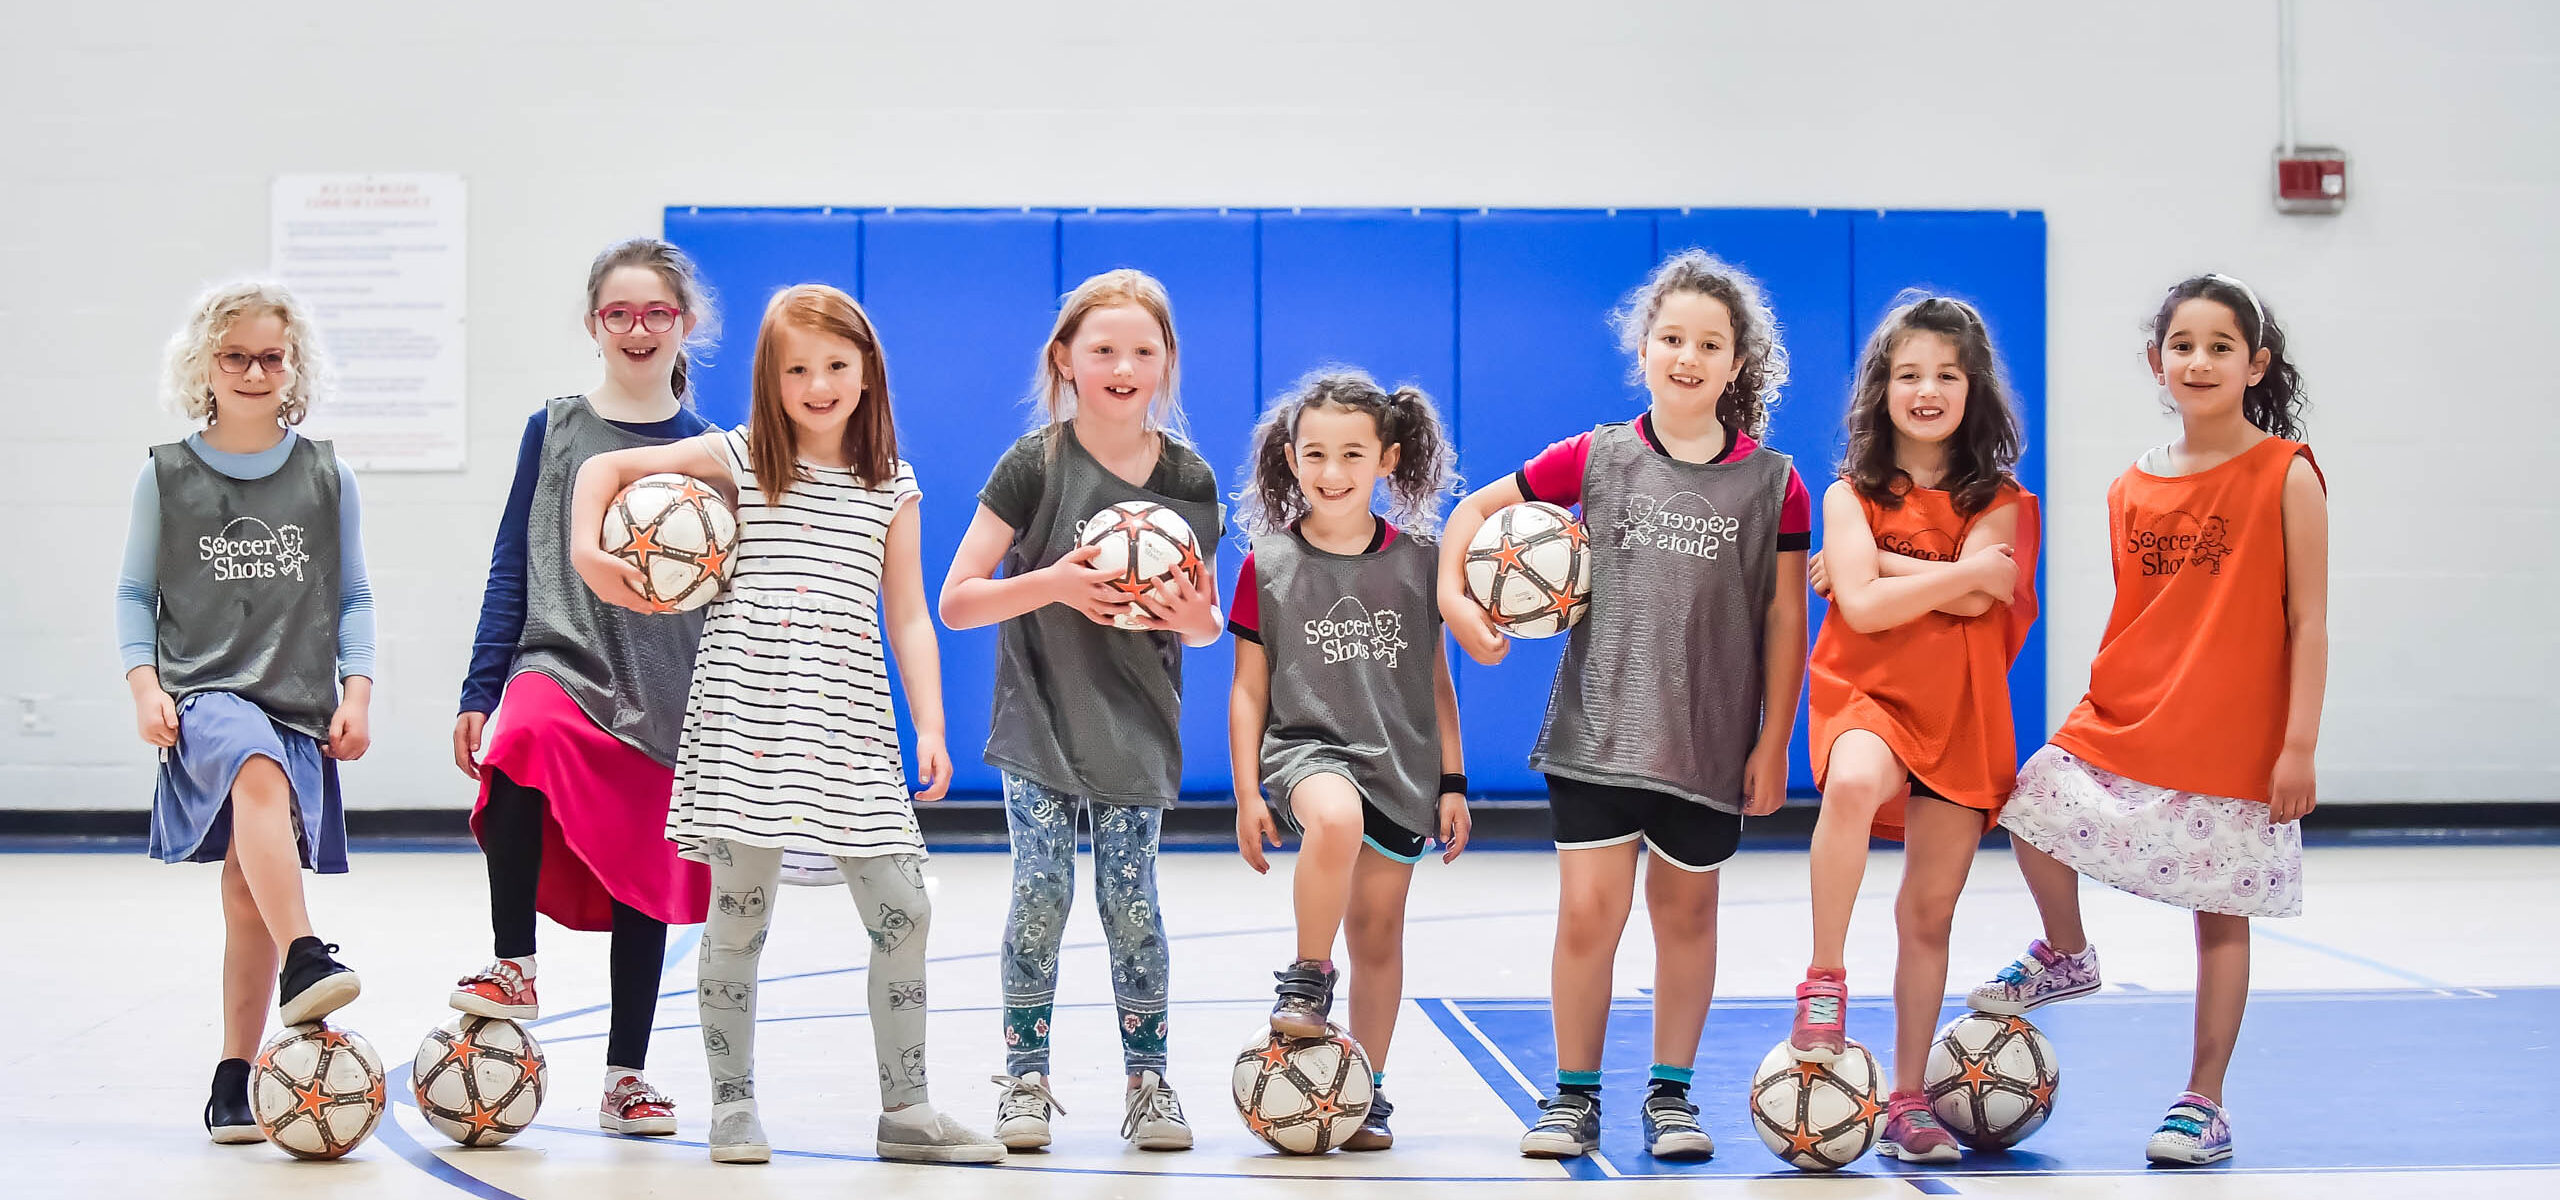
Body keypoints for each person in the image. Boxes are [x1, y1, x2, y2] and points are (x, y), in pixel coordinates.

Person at [571, 283, 1002, 1165]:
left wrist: (930, 723)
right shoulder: (737, 458)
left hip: (849, 721)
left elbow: (910, 614)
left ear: (868, 371)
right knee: (739, 915)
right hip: (747, 714)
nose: (817, 384)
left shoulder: (893, 485)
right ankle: (733, 1105)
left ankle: (907, 1111)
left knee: (903, 909)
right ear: (769, 378)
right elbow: (601, 471)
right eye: (796, 368)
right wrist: (589, 550)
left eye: (836, 365)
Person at [1438, 249, 1813, 1161]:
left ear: (1736, 365)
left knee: (1687, 919)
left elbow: (1786, 623)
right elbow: (1467, 520)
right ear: (1642, 348)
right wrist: (1459, 602)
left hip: (1710, 742)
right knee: (1587, 917)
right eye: (1672, 337)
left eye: (1710, 344)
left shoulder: (1776, 484)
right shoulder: (1596, 456)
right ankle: (1571, 1097)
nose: (1688, 356)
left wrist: (1774, 745)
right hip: (1597, 733)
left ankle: (1673, 1096)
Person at [1966, 274, 2326, 1167]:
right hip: (2130, 711)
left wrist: (2299, 746)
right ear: (2157, 362)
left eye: (2220, 345)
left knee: (2220, 915)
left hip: (2237, 734)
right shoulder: (2131, 485)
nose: (2198, 360)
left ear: (2256, 364)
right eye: (2182, 345)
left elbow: (2309, 620)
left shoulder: (2286, 474)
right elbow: (2139, 612)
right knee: (2032, 802)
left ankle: (2202, 1101)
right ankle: (2067, 950)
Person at [939, 269, 1225, 1152]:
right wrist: (1055, 581)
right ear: (1065, 359)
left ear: (1167, 362)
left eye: (1143, 350)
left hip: (1137, 721)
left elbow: (1208, 621)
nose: (1123, 365)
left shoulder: (1188, 474)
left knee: (1130, 897)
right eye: (1102, 349)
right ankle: (1025, 1079)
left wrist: (1193, 619)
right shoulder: (1035, 464)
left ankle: (1149, 1080)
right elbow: (957, 600)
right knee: (1042, 890)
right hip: (1040, 717)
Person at [450, 237, 717, 1137]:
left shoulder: (714, 451)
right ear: (594, 324)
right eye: (619, 313)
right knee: (521, 739)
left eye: (657, 313)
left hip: (665, 689)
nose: (638, 329)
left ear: (685, 325)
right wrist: (480, 688)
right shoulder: (555, 430)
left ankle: (626, 1077)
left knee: (645, 875)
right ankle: (513, 962)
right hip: (557, 658)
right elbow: (507, 563)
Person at [1789, 294, 2040, 1164]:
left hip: (1964, 719)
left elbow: (1993, 590)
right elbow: (1861, 603)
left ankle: (1905, 1102)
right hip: (1872, 699)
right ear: (1881, 389)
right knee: (1853, 781)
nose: (1927, 390)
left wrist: (1887, 566)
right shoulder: (1849, 493)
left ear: (1974, 392)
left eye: (1946, 375)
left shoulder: (2004, 501)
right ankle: (1823, 978)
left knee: (1928, 915)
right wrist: (1953, 576)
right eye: (1908, 375)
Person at [118, 280, 369, 1142]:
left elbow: (357, 596)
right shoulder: (168, 473)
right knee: (253, 769)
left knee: (244, 892)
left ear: (292, 365)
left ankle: (233, 1077)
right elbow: (131, 594)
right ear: (206, 366)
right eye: (237, 356)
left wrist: (359, 688)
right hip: (206, 694)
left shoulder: (326, 475)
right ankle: (308, 954)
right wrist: (145, 685)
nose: (255, 370)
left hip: (298, 699)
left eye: (271, 355)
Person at [1228, 369, 1471, 1152]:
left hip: (1400, 764)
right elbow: (1247, 690)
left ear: (1388, 460)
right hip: (1308, 751)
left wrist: (1454, 782)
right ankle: (1306, 975)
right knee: (1333, 818)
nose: (1332, 473)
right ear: (1290, 459)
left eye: (1352, 455)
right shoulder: (1265, 564)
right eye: (1316, 454)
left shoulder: (1422, 562)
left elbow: (1437, 683)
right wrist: (1245, 793)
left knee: (1379, 935)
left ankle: (1366, 1088)